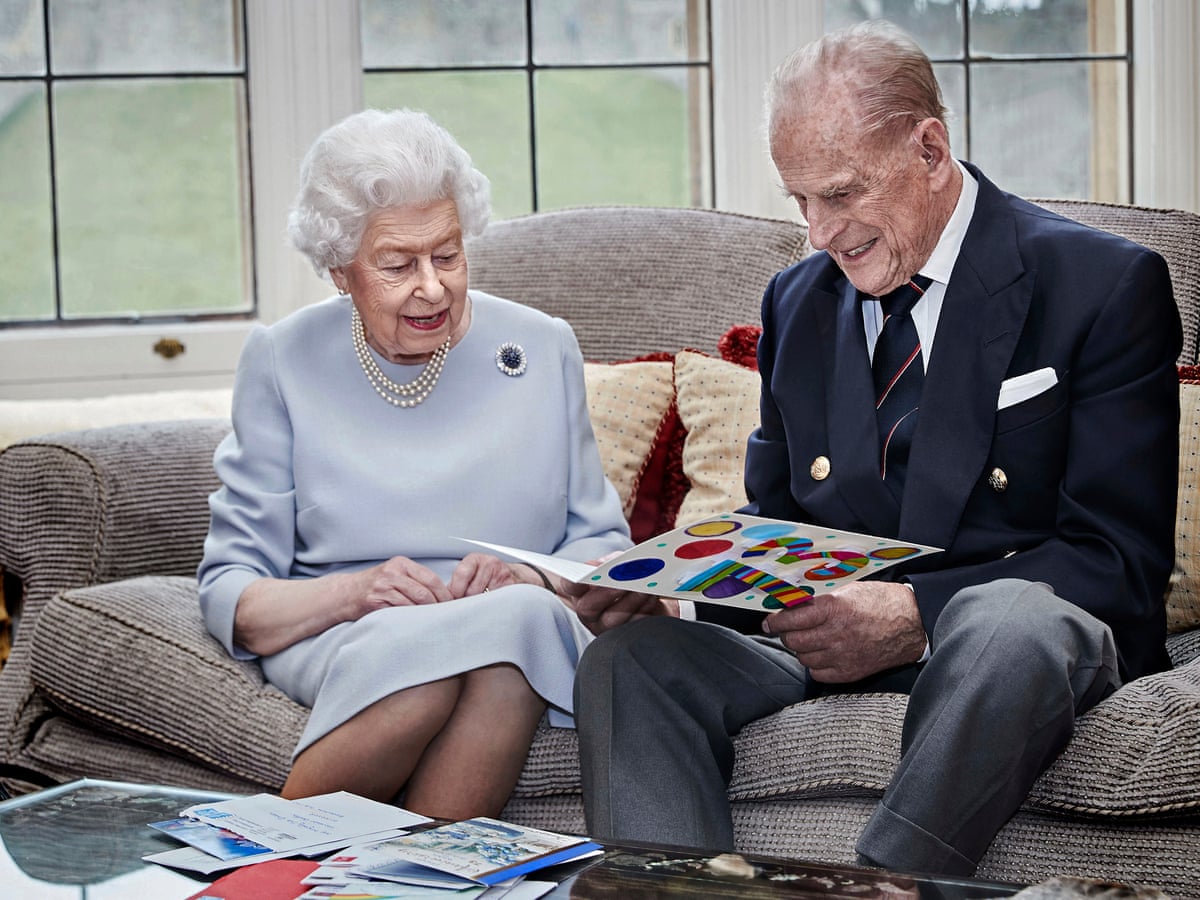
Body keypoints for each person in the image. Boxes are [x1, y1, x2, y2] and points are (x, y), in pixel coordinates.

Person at [569, 20, 1181, 876]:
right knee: (631, 662)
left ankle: (880, 888)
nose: (820, 231)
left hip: (1003, 656)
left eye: (843, 193)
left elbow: (1118, 562)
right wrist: (677, 592)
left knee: (1011, 621)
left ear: (929, 148)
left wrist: (915, 617)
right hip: (825, 650)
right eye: (800, 201)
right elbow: (778, 524)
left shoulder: (1102, 285)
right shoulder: (799, 301)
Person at [197, 108, 630, 819]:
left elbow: (603, 547)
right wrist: (356, 593)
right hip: (344, 628)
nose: (432, 286)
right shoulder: (283, 359)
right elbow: (234, 591)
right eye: (398, 265)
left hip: (512, 618)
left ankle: (263, 873)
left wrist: (528, 574)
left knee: (508, 636)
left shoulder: (541, 345)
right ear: (340, 271)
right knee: (441, 668)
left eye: (448, 255)